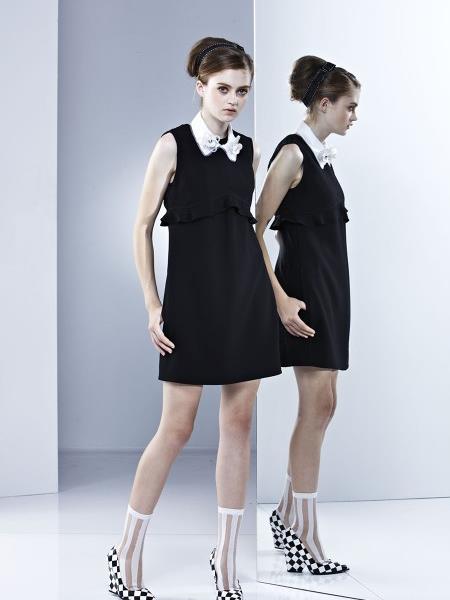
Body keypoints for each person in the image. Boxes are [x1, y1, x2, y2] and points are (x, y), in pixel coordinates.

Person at [107, 36, 281, 600]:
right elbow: (141, 227)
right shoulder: (172, 146)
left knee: (239, 427)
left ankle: (225, 560)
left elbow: (251, 233)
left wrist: (275, 296)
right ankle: (126, 551)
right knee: (176, 429)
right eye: (223, 89)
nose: (233, 100)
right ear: (200, 87)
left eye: (243, 91)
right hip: (190, 303)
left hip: (246, 300)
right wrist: (153, 305)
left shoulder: (251, 151)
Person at [254, 56, 361, 575]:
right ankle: (304, 535)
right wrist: (279, 298)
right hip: (304, 295)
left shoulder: (321, 156)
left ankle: (285, 515)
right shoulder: (292, 154)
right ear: (324, 103)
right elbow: (254, 229)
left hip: (331, 291)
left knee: (326, 404)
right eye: (350, 106)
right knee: (315, 406)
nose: (354, 116)